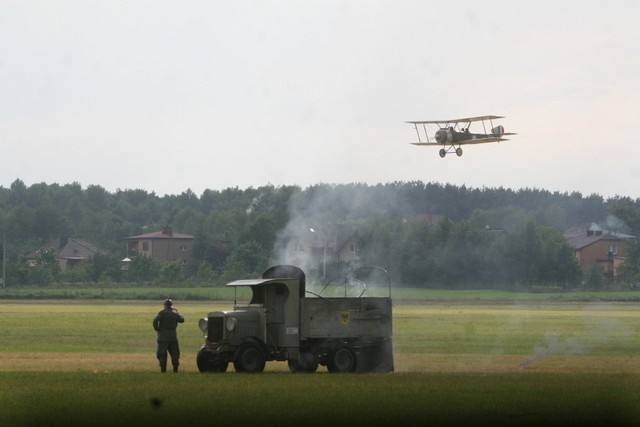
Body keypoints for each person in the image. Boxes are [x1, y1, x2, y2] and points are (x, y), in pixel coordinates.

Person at [152, 298, 185, 373]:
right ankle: (175, 370)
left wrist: (157, 329)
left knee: (162, 354)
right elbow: (182, 320)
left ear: (165, 305)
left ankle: (163, 370)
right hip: (173, 336)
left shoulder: (162, 313)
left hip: (163, 335)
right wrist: (177, 312)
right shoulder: (175, 313)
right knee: (175, 353)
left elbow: (155, 321)